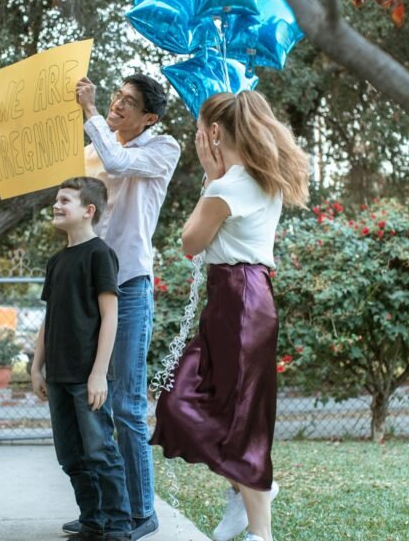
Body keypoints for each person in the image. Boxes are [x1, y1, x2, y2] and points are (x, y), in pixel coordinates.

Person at [149, 91, 310, 541]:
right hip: (240, 297)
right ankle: (248, 488)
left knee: (233, 412)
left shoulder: (226, 188)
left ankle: (259, 523)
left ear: (215, 132)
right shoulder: (263, 178)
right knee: (206, 403)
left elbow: (190, 242)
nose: (198, 136)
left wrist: (209, 176)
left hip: (239, 298)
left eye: (200, 128)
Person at [71, 73, 180, 541]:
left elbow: (118, 160)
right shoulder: (93, 149)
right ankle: (101, 513)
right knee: (90, 403)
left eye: (128, 102)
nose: (116, 104)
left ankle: (141, 512)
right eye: (116, 96)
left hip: (130, 288)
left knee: (127, 405)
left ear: (149, 118)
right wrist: (4, 140)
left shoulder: (163, 148)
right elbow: (62, 192)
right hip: (88, 289)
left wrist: (91, 110)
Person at [30, 176, 131, 541]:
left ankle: (118, 527)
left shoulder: (100, 255)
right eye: (56, 200)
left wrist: (99, 373)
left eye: (64, 200)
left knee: (100, 452)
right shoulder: (56, 261)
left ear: (88, 210)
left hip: (88, 376)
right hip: (58, 376)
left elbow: (110, 316)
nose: (56, 206)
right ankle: (93, 522)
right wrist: (36, 366)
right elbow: (49, 318)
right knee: (71, 457)